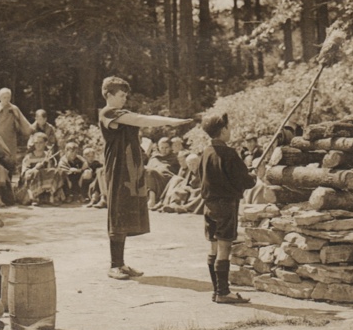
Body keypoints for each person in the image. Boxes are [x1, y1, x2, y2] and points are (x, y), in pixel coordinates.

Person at [99, 76, 190, 280]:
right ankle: (114, 265)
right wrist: (171, 121)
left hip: (130, 170)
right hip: (118, 169)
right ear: (109, 95)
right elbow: (140, 120)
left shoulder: (122, 113)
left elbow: (136, 123)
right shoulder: (108, 112)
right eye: (121, 95)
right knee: (117, 213)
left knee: (125, 213)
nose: (124, 99)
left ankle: (121, 263)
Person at [200, 113, 258, 303]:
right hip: (226, 205)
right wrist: (253, 176)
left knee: (213, 246)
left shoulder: (206, 152)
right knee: (225, 247)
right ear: (223, 130)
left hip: (209, 206)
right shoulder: (230, 154)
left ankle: (216, 290)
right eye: (228, 128)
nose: (230, 131)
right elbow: (245, 181)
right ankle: (223, 292)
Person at [0, 88, 33, 159]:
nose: (6, 100)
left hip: (10, 139)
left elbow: (23, 122)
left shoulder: (14, 109)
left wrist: (31, 129)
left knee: (10, 160)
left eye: (8, 97)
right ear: (0, 98)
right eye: (4, 97)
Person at [21, 132, 63, 204]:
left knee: (55, 171)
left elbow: (51, 170)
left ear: (45, 143)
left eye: (40, 142)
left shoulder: (48, 155)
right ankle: (35, 196)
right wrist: (35, 168)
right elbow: (25, 174)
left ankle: (51, 195)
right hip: (32, 182)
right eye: (36, 143)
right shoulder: (29, 157)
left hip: (45, 181)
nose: (38, 145)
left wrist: (47, 163)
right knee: (37, 172)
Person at [143, 137, 180, 209]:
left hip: (167, 180)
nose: (164, 150)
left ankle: (152, 200)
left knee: (150, 171)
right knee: (146, 170)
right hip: (152, 178)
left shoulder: (174, 158)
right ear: (158, 147)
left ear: (170, 147)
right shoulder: (154, 157)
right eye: (162, 147)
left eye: (166, 147)